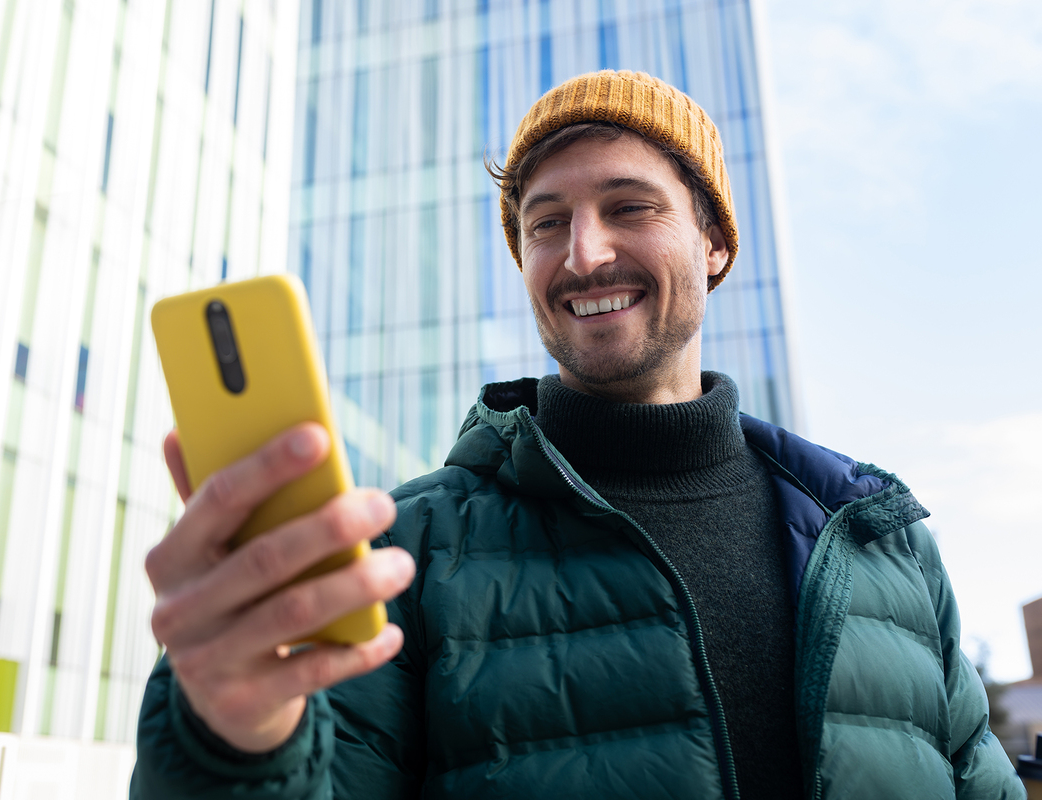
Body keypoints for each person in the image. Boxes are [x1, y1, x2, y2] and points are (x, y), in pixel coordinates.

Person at [131, 70, 1025, 799]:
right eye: (546, 223)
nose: (583, 253)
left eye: (629, 208)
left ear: (715, 241)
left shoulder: (880, 540)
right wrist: (231, 742)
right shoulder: (402, 551)